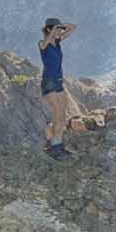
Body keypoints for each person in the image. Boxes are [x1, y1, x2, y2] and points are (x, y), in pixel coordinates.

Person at [38, 17, 81, 158]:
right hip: (49, 81)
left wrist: (60, 26)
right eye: (56, 29)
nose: (60, 32)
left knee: (62, 115)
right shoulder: (43, 44)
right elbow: (45, 43)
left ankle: (56, 142)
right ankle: (54, 146)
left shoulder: (57, 42)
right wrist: (52, 31)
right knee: (57, 113)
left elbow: (73, 27)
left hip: (58, 81)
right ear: (49, 30)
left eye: (60, 30)